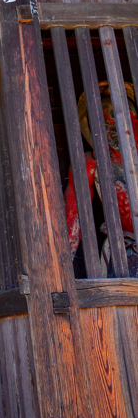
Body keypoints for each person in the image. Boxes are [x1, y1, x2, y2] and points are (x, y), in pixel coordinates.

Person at [64, 82, 138, 276]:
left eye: (122, 121)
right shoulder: (91, 165)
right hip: (122, 250)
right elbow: (73, 217)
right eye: (106, 125)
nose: (115, 130)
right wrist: (63, 267)